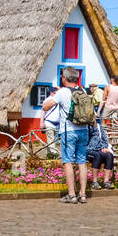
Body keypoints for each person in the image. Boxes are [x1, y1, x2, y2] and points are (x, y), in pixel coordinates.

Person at [43, 66, 92, 203]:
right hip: (83, 130)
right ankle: (82, 194)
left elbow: (45, 107)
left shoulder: (63, 92)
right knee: (82, 162)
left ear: (64, 78)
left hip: (68, 131)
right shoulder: (82, 91)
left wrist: (55, 96)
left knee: (68, 162)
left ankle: (71, 195)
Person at [82, 115, 116, 189]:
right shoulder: (84, 127)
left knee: (109, 155)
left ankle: (106, 182)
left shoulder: (98, 126)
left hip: (99, 149)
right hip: (87, 150)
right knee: (97, 155)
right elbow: (84, 140)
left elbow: (104, 138)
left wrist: (104, 147)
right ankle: (94, 182)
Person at [40, 91, 62, 157]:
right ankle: (56, 156)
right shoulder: (47, 100)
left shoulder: (58, 100)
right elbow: (43, 111)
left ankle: (48, 155)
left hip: (56, 124)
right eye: (55, 93)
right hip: (49, 123)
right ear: (51, 93)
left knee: (52, 141)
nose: (56, 94)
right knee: (51, 141)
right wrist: (41, 123)